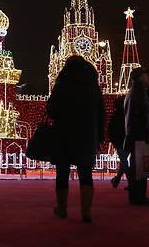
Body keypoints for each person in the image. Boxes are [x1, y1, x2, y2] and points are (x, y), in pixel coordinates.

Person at [47, 55, 104, 223]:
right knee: (86, 174)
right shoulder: (93, 87)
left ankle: (62, 208)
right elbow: (101, 114)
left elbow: (51, 110)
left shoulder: (62, 85)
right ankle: (86, 212)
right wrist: (99, 137)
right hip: (87, 136)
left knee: (62, 173)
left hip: (64, 134)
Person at [124, 67, 149, 206]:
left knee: (136, 166)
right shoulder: (139, 93)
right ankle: (138, 196)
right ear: (141, 77)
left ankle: (135, 195)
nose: (148, 78)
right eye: (146, 75)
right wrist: (147, 133)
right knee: (140, 167)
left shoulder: (132, 92)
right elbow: (142, 115)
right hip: (139, 134)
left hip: (133, 133)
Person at [108, 96, 127, 188]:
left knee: (124, 162)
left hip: (120, 142)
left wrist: (114, 141)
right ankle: (118, 180)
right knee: (125, 162)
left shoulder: (115, 115)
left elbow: (110, 130)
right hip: (125, 141)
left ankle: (117, 180)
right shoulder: (126, 114)